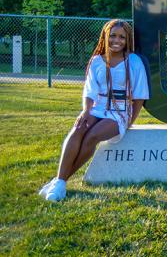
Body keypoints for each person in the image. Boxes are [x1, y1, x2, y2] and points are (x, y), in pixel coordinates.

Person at [38, 19, 149, 202]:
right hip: (97, 108)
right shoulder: (96, 60)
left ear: (128, 39)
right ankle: (60, 183)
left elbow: (139, 96)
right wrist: (86, 111)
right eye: (113, 35)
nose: (117, 40)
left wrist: (129, 120)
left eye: (122, 37)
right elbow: (89, 91)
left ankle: (59, 182)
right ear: (105, 36)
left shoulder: (134, 61)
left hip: (119, 112)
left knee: (92, 136)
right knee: (78, 129)